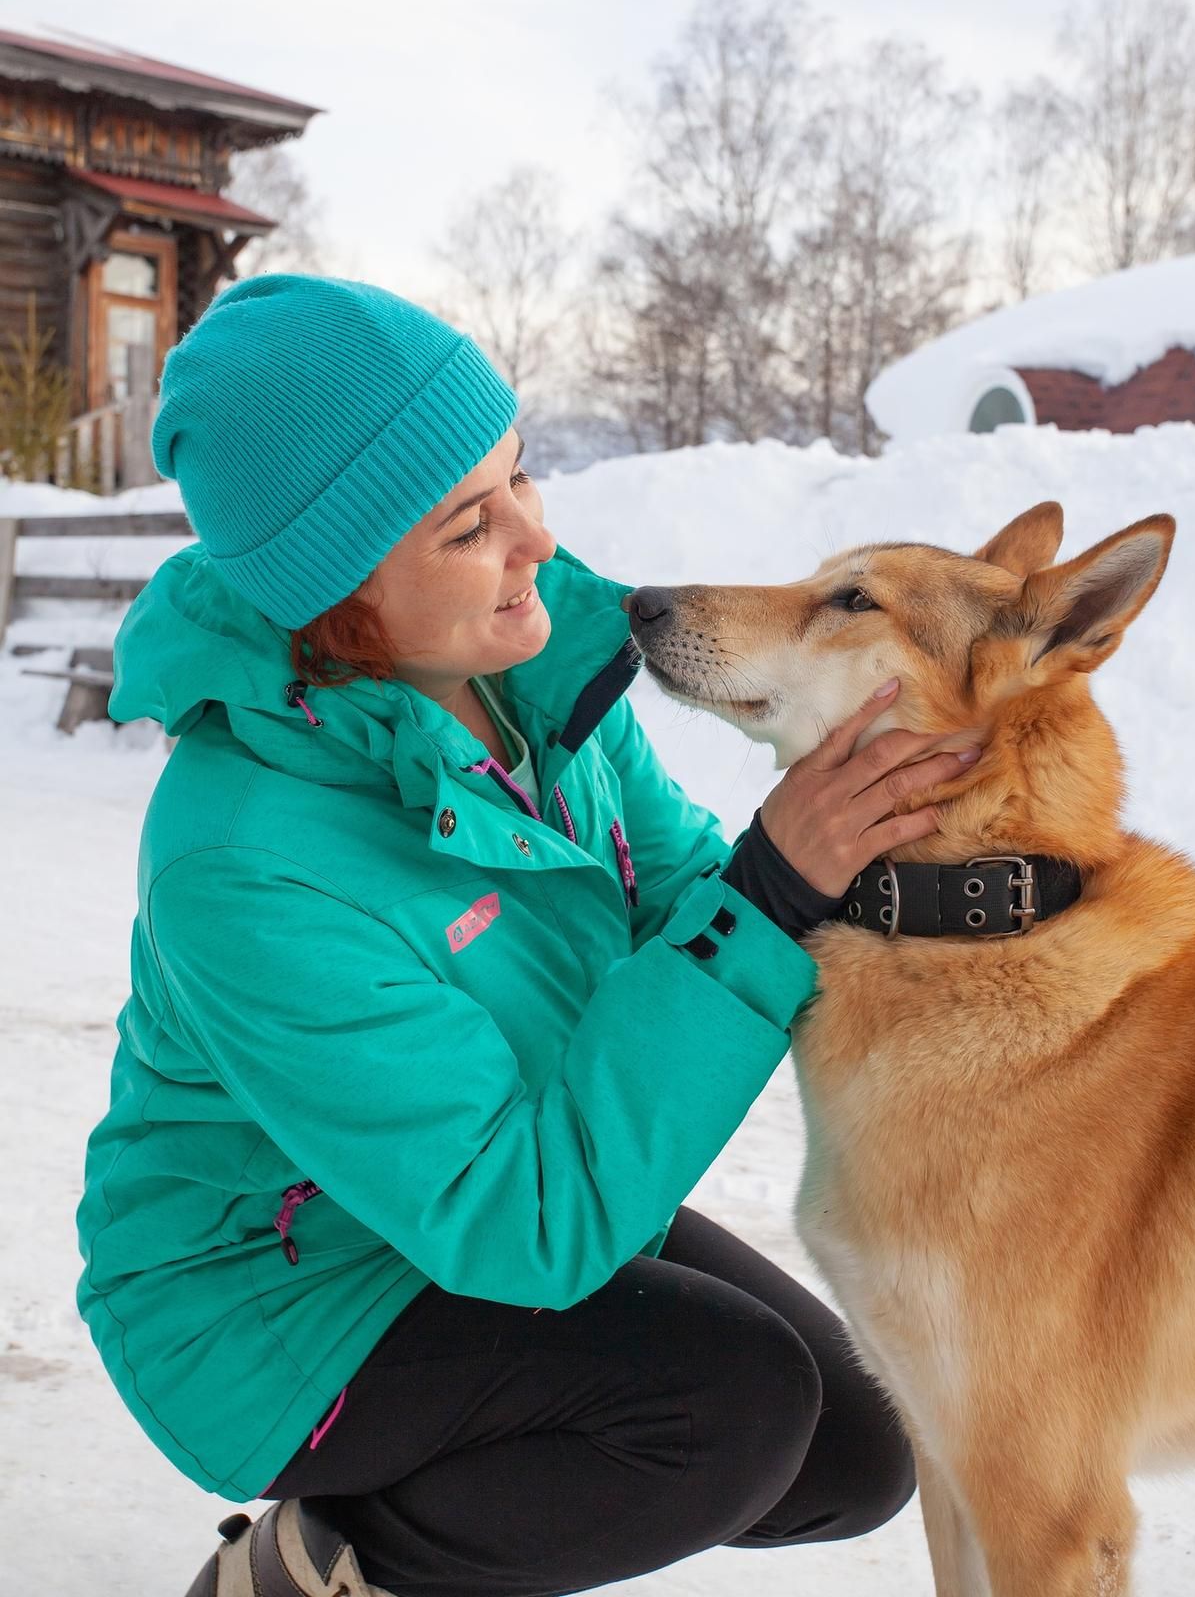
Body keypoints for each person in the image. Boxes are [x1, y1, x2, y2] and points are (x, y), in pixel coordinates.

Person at [76, 275, 976, 1597]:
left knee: (857, 1446)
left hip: (489, 1170)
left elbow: (685, 897)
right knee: (728, 1412)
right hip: (280, 1298)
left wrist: (900, 918)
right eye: (467, 526)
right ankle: (327, 1569)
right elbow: (530, 1227)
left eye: (523, 478)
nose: (534, 542)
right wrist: (778, 888)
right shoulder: (244, 860)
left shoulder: (532, 677)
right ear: (338, 601)